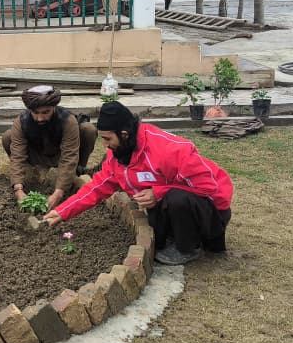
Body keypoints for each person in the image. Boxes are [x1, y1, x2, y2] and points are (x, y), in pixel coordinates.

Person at [42, 101, 233, 265]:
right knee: (158, 231)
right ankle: (173, 238)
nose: (105, 145)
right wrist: (63, 211)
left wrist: (158, 192)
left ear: (124, 134)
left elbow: (209, 188)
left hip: (213, 209)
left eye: (108, 139)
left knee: (175, 198)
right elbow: (97, 187)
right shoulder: (119, 155)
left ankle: (188, 248)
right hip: (177, 206)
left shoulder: (169, 150)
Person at [3, 86, 98, 209]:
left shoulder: (67, 120)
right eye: (36, 113)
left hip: (60, 156)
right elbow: (17, 155)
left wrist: (59, 193)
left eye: (45, 112)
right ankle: (32, 172)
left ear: (54, 107)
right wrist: (18, 189)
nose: (40, 118)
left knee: (88, 129)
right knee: (8, 136)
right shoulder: (21, 122)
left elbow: (69, 156)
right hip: (37, 156)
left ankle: (78, 170)